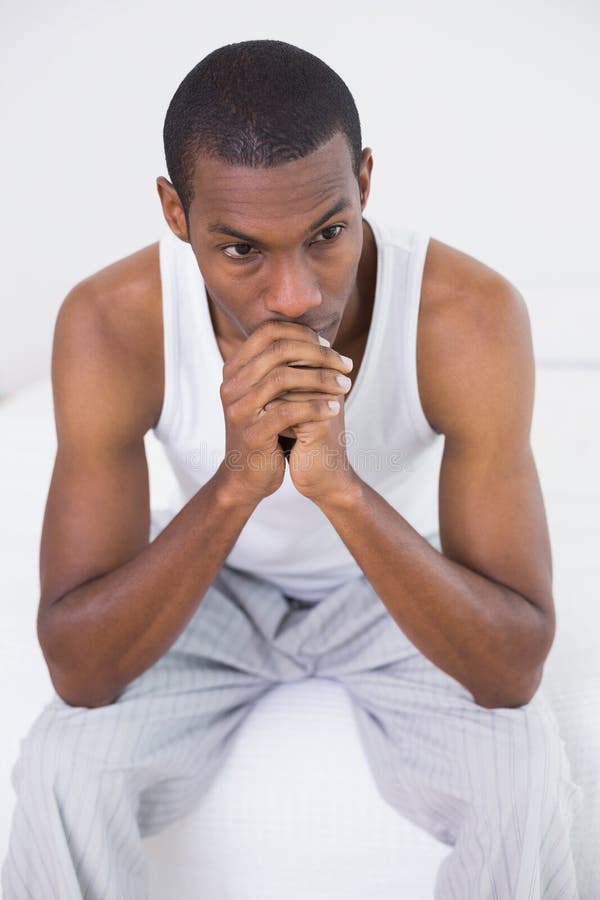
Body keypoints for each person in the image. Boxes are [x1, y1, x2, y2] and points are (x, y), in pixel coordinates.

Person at [2, 38, 582, 900]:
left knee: (526, 776)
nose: (295, 295)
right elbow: (81, 673)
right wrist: (239, 480)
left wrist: (339, 489)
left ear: (367, 183)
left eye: (329, 234)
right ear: (174, 212)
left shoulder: (468, 315)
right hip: (210, 583)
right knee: (59, 771)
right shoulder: (112, 322)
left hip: (391, 576)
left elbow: (510, 671)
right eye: (240, 251)